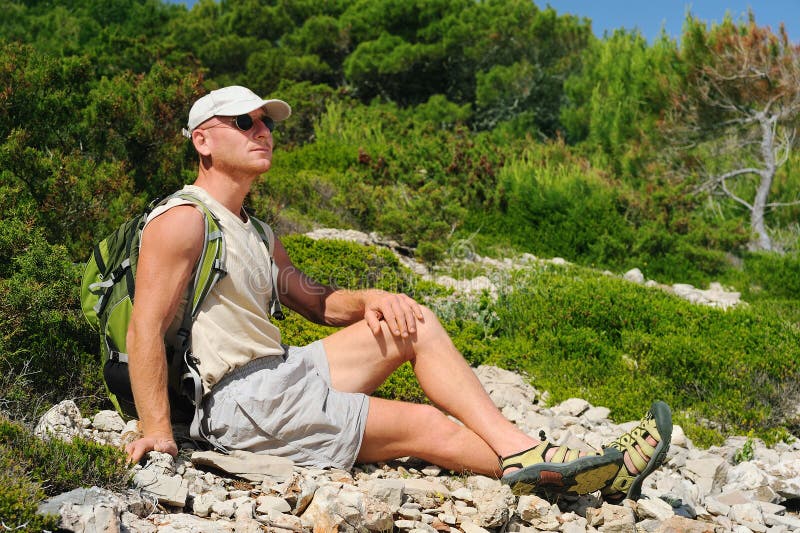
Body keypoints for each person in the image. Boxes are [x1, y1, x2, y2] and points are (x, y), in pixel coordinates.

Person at [124, 85, 672, 501]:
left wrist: (372, 300)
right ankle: (579, 471)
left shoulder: (256, 230)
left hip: (284, 370)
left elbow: (313, 302)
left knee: (414, 321)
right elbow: (144, 328)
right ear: (202, 140)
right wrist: (156, 432)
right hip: (242, 402)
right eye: (244, 122)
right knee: (428, 427)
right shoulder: (183, 221)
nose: (262, 131)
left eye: (267, 123)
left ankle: (543, 456)